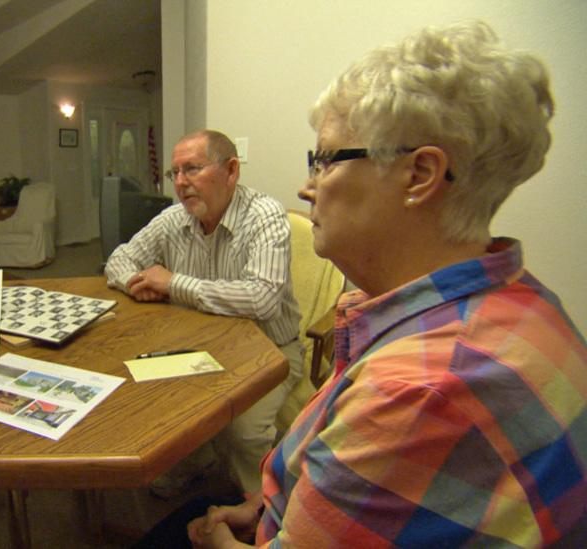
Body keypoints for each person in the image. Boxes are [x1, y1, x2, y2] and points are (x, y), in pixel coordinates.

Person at [135, 21, 587, 548]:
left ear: (419, 176)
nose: (306, 186)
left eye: (325, 159)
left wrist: (216, 537)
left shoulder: (417, 392)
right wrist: (273, 502)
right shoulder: (527, 299)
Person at [105, 130, 303, 496]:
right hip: (196, 348)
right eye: (174, 173)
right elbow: (119, 258)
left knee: (243, 431)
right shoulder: (172, 219)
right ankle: (195, 461)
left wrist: (172, 283)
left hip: (268, 350)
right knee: (142, 395)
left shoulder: (265, 216)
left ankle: (264, 508)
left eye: (192, 169)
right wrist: (138, 281)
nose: (181, 182)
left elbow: (262, 299)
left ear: (230, 171)